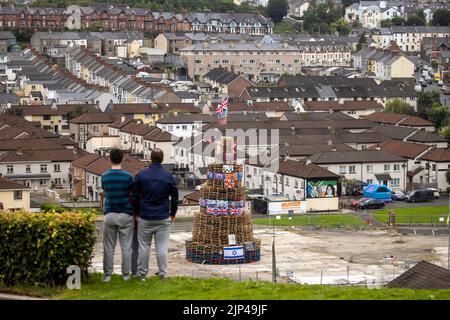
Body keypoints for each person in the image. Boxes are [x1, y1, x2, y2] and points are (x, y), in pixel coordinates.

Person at [133, 148, 179, 280]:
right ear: (162, 159)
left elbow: (135, 197)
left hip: (145, 216)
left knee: (144, 247)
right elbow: (175, 197)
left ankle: (142, 274)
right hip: (163, 217)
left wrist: (137, 213)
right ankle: (162, 273)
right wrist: (173, 213)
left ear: (151, 158)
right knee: (162, 247)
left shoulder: (141, 175)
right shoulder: (168, 177)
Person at [101, 148, 134, 282]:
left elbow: (105, 190)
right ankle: (126, 275)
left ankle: (107, 275)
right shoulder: (128, 176)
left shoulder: (105, 176)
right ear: (122, 159)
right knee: (126, 247)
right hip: (125, 213)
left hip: (110, 213)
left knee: (109, 246)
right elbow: (132, 193)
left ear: (110, 159)